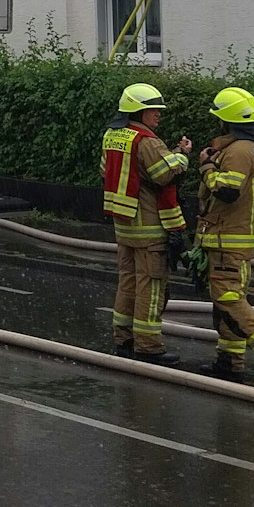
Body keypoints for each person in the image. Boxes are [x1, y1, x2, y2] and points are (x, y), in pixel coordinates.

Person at [101, 82, 192, 366]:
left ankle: (123, 339)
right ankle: (148, 346)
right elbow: (164, 173)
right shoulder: (147, 141)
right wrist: (182, 156)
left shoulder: (112, 135)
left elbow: (106, 170)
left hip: (124, 225)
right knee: (150, 288)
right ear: (138, 112)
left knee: (127, 283)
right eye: (153, 110)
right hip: (149, 228)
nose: (158, 114)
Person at [197, 86, 254, 380]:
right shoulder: (248, 147)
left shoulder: (239, 151)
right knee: (227, 303)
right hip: (234, 239)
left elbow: (227, 191)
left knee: (229, 300)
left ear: (226, 120)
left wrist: (206, 168)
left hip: (228, 239)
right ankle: (229, 361)